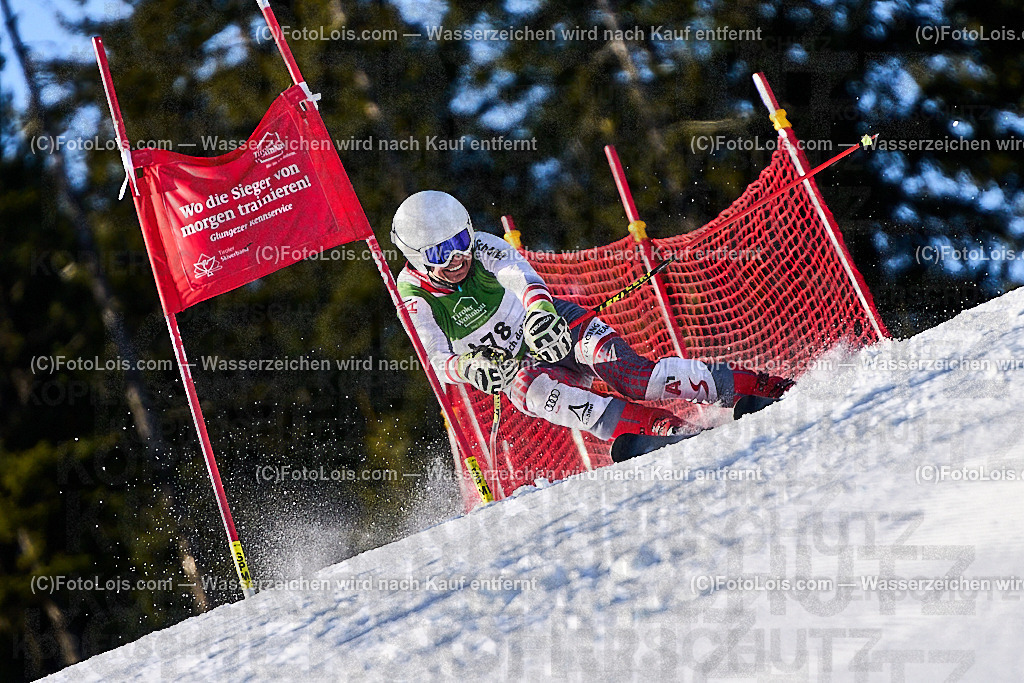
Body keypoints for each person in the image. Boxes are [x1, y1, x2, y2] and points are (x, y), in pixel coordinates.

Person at [390, 191, 792, 460]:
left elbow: (521, 276)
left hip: (554, 327)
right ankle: (660, 429)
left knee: (638, 379)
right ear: (416, 257)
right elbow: (437, 359)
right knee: (532, 391)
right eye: (442, 252)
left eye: (461, 240)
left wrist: (540, 314)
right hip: (515, 365)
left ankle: (752, 387)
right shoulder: (413, 296)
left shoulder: (484, 248)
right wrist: (470, 368)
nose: (458, 257)